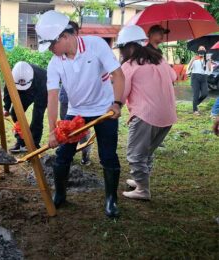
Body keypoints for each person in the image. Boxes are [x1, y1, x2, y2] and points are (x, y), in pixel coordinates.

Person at [36, 10, 125, 218]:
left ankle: (111, 199)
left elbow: (118, 74)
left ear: (64, 37)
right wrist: (52, 131)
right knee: (63, 155)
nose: (50, 50)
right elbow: (52, 96)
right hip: (76, 112)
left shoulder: (96, 45)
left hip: (104, 110)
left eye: (51, 45)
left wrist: (117, 103)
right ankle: (60, 194)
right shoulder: (55, 62)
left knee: (108, 156)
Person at [116, 25, 177, 200]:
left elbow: (121, 93)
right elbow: (173, 77)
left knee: (135, 154)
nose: (121, 52)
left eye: (121, 48)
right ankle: (141, 180)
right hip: (167, 115)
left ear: (130, 47)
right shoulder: (159, 59)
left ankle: (143, 189)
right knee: (147, 151)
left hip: (146, 115)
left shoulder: (130, 65)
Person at [3, 61, 47, 152]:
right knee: (15, 113)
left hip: (41, 91)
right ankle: (21, 142)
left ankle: (33, 144)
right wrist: (6, 107)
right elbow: (8, 90)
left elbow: (45, 96)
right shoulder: (11, 75)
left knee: (37, 117)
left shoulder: (42, 75)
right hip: (25, 93)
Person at [59, 87, 92, 166]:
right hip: (67, 97)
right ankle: (66, 156)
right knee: (65, 128)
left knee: (83, 128)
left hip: (84, 98)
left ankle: (85, 155)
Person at [186, 45, 212, 115]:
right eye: (200, 49)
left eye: (203, 49)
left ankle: (196, 103)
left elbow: (209, 70)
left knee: (205, 94)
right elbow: (188, 69)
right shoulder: (194, 58)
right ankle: (195, 110)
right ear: (198, 51)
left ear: (205, 51)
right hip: (195, 77)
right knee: (196, 94)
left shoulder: (207, 59)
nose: (201, 50)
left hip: (204, 77)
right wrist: (192, 60)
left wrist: (209, 61)